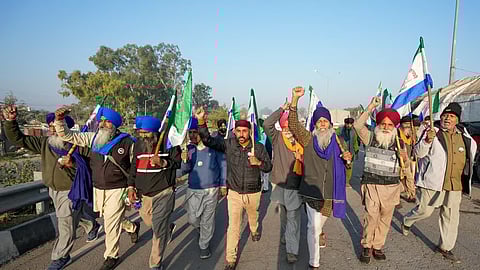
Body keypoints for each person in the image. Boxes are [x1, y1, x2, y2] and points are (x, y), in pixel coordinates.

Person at [3, 106, 100, 270]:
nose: (52, 130)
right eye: (51, 127)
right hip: (52, 189)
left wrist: (74, 163)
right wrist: (11, 121)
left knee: (65, 222)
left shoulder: (78, 144)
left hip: (71, 190)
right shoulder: (44, 143)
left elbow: (93, 165)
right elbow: (18, 139)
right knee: (69, 216)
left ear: (65, 129)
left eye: (56, 127)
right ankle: (92, 225)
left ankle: (61, 256)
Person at [54, 107, 139, 270]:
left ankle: (111, 256)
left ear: (114, 125)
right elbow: (67, 135)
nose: (102, 124)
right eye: (101, 121)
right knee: (109, 218)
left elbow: (134, 167)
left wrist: (132, 186)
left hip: (118, 188)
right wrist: (59, 120)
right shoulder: (92, 138)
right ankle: (132, 227)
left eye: (107, 122)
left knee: (110, 223)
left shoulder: (128, 143)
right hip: (98, 188)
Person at [195, 107, 272, 270]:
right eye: (238, 131)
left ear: (249, 132)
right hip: (235, 193)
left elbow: (268, 167)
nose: (242, 134)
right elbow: (208, 140)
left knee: (253, 217)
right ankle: (231, 259)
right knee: (234, 226)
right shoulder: (228, 145)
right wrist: (201, 121)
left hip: (253, 192)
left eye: (245, 131)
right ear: (234, 132)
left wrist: (259, 163)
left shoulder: (258, 148)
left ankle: (254, 229)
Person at [402, 102, 477, 263]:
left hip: (455, 184)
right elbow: (418, 153)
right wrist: (427, 141)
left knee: (450, 217)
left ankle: (445, 247)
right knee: (425, 211)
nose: (447, 118)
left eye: (451, 116)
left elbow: (472, 150)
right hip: (432, 181)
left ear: (457, 119)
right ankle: (407, 220)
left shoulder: (464, 135)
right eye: (445, 115)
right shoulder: (432, 132)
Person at [288, 87, 351, 270]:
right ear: (314, 124)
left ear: (330, 124)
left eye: (325, 121)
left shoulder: (338, 141)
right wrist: (294, 99)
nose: (322, 124)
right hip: (311, 192)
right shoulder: (307, 139)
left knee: (319, 225)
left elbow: (347, 167)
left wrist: (348, 161)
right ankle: (314, 263)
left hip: (331, 193)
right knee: (312, 228)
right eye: (319, 121)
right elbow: (293, 124)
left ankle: (320, 232)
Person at [354, 97, 403, 264]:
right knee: (371, 217)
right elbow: (357, 125)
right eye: (383, 124)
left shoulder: (399, 142)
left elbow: (408, 164)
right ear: (378, 124)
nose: (386, 127)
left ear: (394, 127)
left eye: (390, 125)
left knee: (385, 219)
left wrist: (406, 158)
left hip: (391, 187)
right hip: (372, 185)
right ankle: (367, 245)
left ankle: (378, 246)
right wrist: (371, 106)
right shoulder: (370, 138)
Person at [127, 116, 180, 270]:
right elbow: (133, 168)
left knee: (157, 230)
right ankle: (167, 227)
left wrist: (163, 162)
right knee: (151, 222)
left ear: (154, 133)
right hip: (144, 194)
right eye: (140, 133)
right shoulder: (137, 145)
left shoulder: (169, 143)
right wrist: (131, 187)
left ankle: (155, 263)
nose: (143, 137)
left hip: (164, 192)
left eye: (146, 134)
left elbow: (177, 163)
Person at [178, 117, 227, 260]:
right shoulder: (189, 149)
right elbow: (184, 170)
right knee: (193, 219)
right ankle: (201, 229)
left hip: (212, 189)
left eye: (195, 132)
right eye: (190, 132)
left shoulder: (214, 147)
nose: (192, 135)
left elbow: (223, 165)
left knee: (207, 219)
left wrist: (223, 184)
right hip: (193, 189)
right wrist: (184, 160)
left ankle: (204, 245)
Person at [263, 102, 303, 264]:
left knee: (293, 216)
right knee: (285, 213)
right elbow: (266, 123)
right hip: (279, 182)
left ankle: (292, 250)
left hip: (295, 184)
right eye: (284, 126)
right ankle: (287, 235)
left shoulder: (302, 141)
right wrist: (281, 108)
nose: (287, 129)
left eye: (289, 126)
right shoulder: (277, 138)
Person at [336, 117, 359, 187]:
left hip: (350, 152)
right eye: (347, 124)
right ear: (345, 123)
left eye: (350, 124)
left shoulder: (354, 132)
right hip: (341, 152)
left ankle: (346, 181)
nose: (349, 125)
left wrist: (356, 151)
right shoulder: (340, 130)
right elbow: (334, 136)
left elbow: (355, 142)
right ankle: (339, 180)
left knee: (349, 168)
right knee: (340, 166)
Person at [398, 116, 416, 203]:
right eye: (405, 125)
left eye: (409, 125)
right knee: (399, 179)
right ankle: (396, 197)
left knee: (409, 177)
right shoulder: (397, 134)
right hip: (398, 161)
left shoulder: (412, 135)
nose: (408, 127)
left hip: (407, 160)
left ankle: (411, 194)